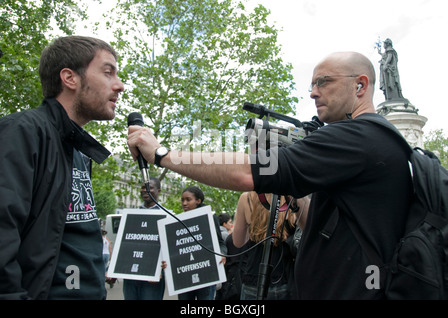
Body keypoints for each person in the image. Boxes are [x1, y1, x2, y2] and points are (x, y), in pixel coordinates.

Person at [127, 51, 413, 299]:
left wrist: (163, 155)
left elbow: (247, 172)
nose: (313, 92)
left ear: (360, 85)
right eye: (311, 84)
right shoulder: (372, 138)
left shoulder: (357, 137)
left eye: (323, 81)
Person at [0, 36, 124, 300]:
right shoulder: (22, 132)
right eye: (108, 72)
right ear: (70, 78)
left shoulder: (78, 148)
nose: (119, 85)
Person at [232, 192, 297, 300]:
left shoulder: (247, 197)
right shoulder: (293, 196)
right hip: (284, 278)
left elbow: (238, 242)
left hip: (253, 278)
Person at [178, 186, 227, 300]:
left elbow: (220, 243)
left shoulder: (209, 217)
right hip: (185, 276)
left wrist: (221, 254)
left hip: (206, 275)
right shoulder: (179, 220)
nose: (184, 203)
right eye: (182, 200)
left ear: (198, 201)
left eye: (188, 199)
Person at [123, 178, 167, 300]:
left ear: (159, 191)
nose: (145, 190)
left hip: (153, 277)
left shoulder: (167, 216)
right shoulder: (131, 216)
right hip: (131, 276)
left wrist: (162, 267)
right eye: (143, 187)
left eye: (150, 187)